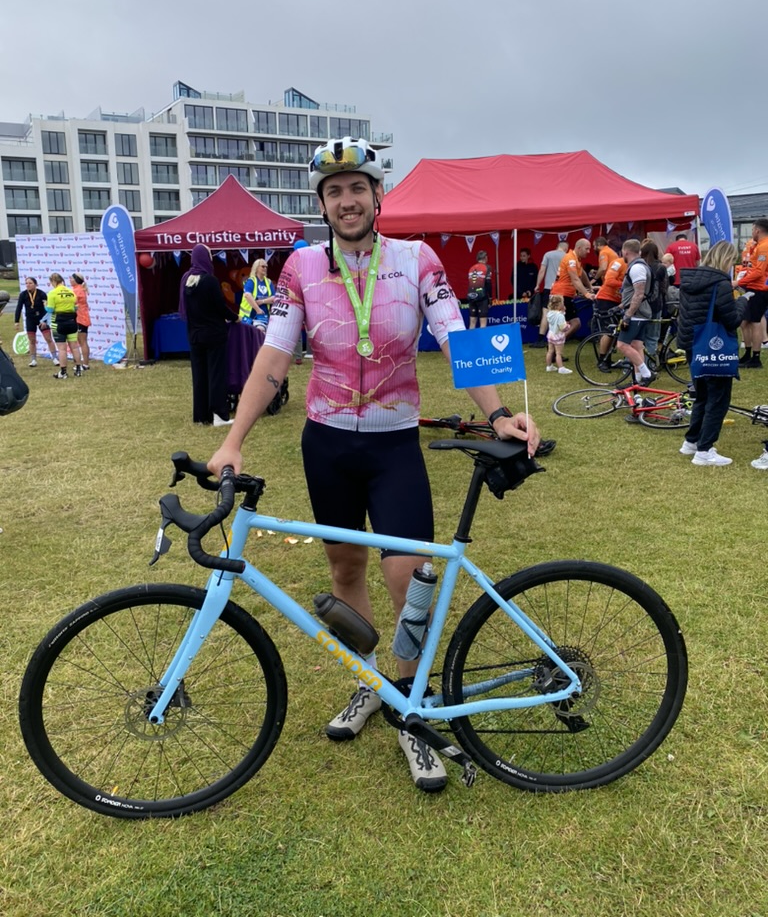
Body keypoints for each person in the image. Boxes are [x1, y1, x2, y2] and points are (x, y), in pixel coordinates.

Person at [208, 136, 539, 793]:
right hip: (326, 443)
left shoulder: (416, 259)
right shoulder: (300, 268)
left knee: (408, 576)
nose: (347, 200)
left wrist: (500, 414)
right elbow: (274, 358)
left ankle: (409, 707)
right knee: (344, 569)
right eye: (334, 191)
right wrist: (234, 438)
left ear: (377, 195)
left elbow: (453, 334)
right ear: (322, 204)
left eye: (357, 187)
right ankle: (372, 685)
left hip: (392, 446)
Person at [677, 242, 747, 466]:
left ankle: (692, 441)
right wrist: (743, 302)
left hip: (692, 344)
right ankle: (705, 450)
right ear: (726, 260)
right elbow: (732, 320)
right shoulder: (721, 284)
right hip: (713, 347)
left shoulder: (689, 281)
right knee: (718, 398)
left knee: (702, 394)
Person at [180, 244, 238, 427]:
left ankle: (201, 416)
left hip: (195, 336)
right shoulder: (210, 281)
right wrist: (235, 317)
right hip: (213, 335)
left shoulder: (186, 280)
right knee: (216, 375)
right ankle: (219, 415)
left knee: (199, 376)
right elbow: (220, 307)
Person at [615, 239, 654, 391]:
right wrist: (620, 305)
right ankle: (637, 382)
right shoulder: (640, 266)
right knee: (637, 346)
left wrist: (628, 315)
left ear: (625, 252)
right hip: (640, 312)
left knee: (622, 345)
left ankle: (646, 374)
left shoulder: (637, 268)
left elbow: (639, 294)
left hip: (637, 313)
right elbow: (634, 294)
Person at [734, 218, 768, 369]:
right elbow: (750, 266)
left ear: (758, 230)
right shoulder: (757, 246)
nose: (752, 232)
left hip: (758, 289)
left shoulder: (764, 247)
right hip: (752, 286)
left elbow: (759, 271)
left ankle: (755, 357)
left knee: (754, 322)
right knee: (744, 321)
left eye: (753, 229)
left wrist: (738, 282)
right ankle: (748, 354)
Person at [548, 237, 595, 339]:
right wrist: (587, 294)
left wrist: (590, 287)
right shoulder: (571, 259)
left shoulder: (576, 259)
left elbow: (582, 274)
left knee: (571, 323)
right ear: (579, 248)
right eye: (586, 249)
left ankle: (556, 347)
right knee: (574, 323)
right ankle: (556, 343)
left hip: (565, 295)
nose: (589, 251)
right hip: (561, 295)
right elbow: (575, 279)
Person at [13, 276, 58, 366]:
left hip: (41, 319)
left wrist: (45, 321)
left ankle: (55, 358)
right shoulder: (23, 295)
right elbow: (19, 307)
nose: (28, 285)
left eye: (30, 283)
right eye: (26, 283)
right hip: (30, 319)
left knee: (48, 338)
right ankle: (33, 360)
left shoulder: (41, 294)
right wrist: (16, 321)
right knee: (32, 340)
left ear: (35, 284)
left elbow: (47, 308)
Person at [46, 273, 84, 379]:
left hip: (58, 322)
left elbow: (50, 310)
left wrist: (45, 306)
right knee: (75, 347)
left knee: (62, 349)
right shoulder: (71, 292)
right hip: (72, 321)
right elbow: (76, 307)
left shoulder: (52, 293)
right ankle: (78, 369)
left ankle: (63, 372)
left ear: (53, 281)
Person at [533, 236, 567, 344]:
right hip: (562, 289)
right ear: (566, 248)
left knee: (546, 313)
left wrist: (538, 284)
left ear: (557, 246)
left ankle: (540, 339)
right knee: (559, 315)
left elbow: (542, 271)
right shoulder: (567, 257)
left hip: (548, 287)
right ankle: (557, 339)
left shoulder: (548, 254)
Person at [640, 240, 668, 359]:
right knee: (652, 337)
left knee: (637, 338)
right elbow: (664, 288)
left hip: (640, 305)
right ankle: (650, 364)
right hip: (656, 305)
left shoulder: (640, 266)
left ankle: (635, 364)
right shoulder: (661, 267)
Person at [238, 258, 276, 328]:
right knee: (247, 337)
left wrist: (262, 301)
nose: (265, 268)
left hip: (262, 316)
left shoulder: (268, 282)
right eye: (263, 266)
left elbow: (274, 298)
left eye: (266, 267)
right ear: (256, 268)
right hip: (248, 316)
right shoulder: (251, 280)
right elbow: (247, 295)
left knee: (260, 331)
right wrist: (257, 309)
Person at [544, 295, 572, 374]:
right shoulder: (560, 316)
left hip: (551, 334)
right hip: (558, 336)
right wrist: (568, 326)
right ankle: (561, 368)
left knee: (550, 351)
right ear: (559, 304)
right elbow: (562, 327)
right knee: (558, 353)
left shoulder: (550, 313)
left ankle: (549, 366)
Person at [467, 250, 493, 329]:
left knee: (472, 322)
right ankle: (482, 341)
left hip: (471, 295)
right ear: (485, 258)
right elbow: (488, 283)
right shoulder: (487, 267)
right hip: (482, 296)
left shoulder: (471, 268)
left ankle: (471, 341)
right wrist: (490, 298)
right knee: (483, 323)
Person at [70, 273, 91, 369]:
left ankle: (85, 364)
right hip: (81, 318)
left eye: (71, 278)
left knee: (82, 342)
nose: (70, 280)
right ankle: (83, 363)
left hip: (80, 319)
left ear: (76, 280)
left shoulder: (77, 290)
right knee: (82, 341)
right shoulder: (79, 289)